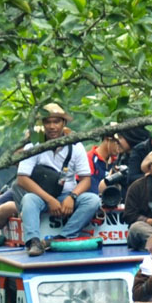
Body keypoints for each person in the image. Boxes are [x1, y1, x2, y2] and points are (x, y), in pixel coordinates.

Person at [13, 103, 98, 257]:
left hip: (67, 195)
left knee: (92, 200)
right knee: (28, 199)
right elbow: (22, 179)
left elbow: (86, 179)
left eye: (56, 122)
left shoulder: (76, 146)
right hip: (41, 196)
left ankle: (62, 237)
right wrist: (50, 200)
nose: (52, 126)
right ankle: (33, 241)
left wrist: (72, 197)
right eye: (48, 122)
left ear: (63, 124)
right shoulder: (33, 145)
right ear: (42, 124)